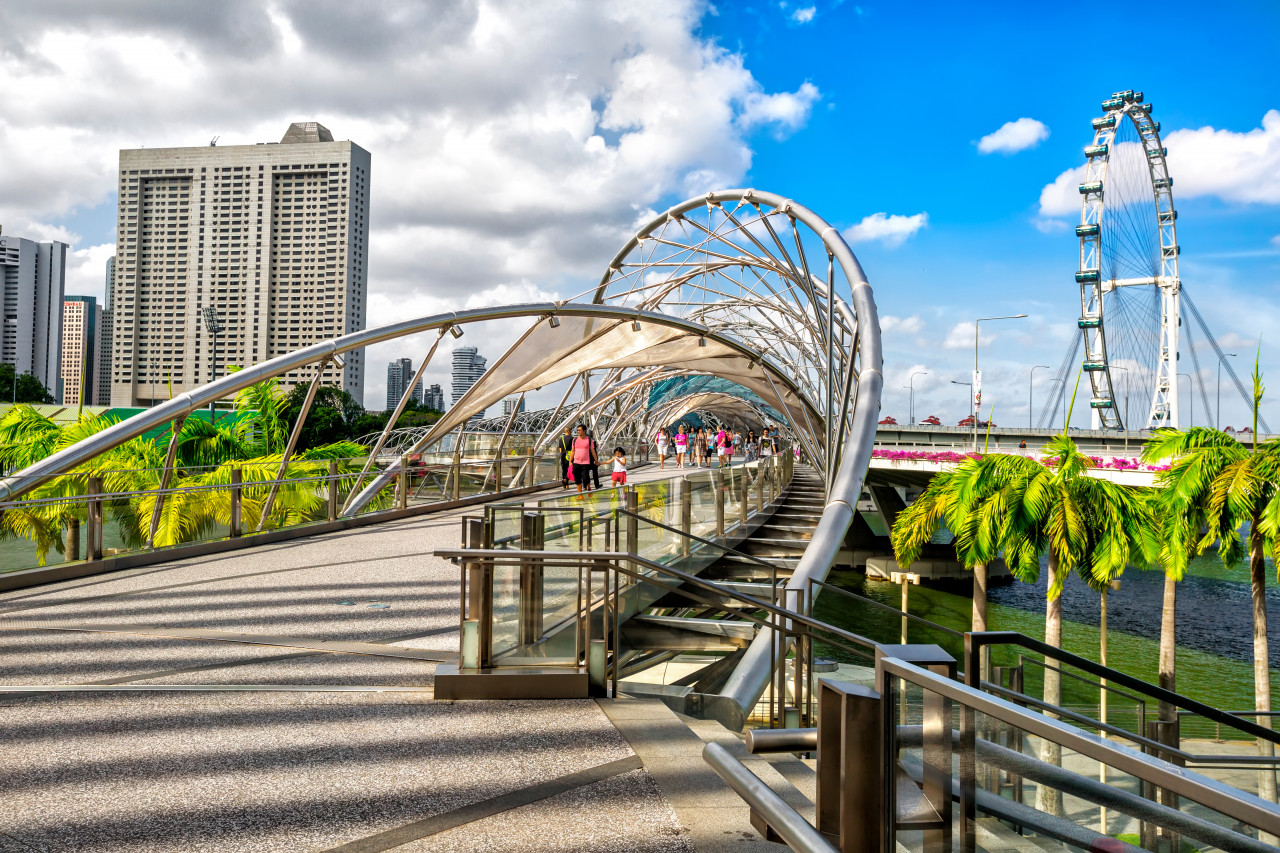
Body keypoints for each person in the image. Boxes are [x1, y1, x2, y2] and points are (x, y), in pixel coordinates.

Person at [571, 425, 594, 494]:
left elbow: (592, 451)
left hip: (585, 462)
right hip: (576, 462)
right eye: (577, 430)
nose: (578, 431)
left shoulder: (589, 440)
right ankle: (580, 494)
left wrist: (596, 460)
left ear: (585, 431)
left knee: (585, 477)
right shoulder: (574, 440)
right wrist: (570, 461)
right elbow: (572, 451)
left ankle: (589, 487)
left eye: (580, 430)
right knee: (577, 479)